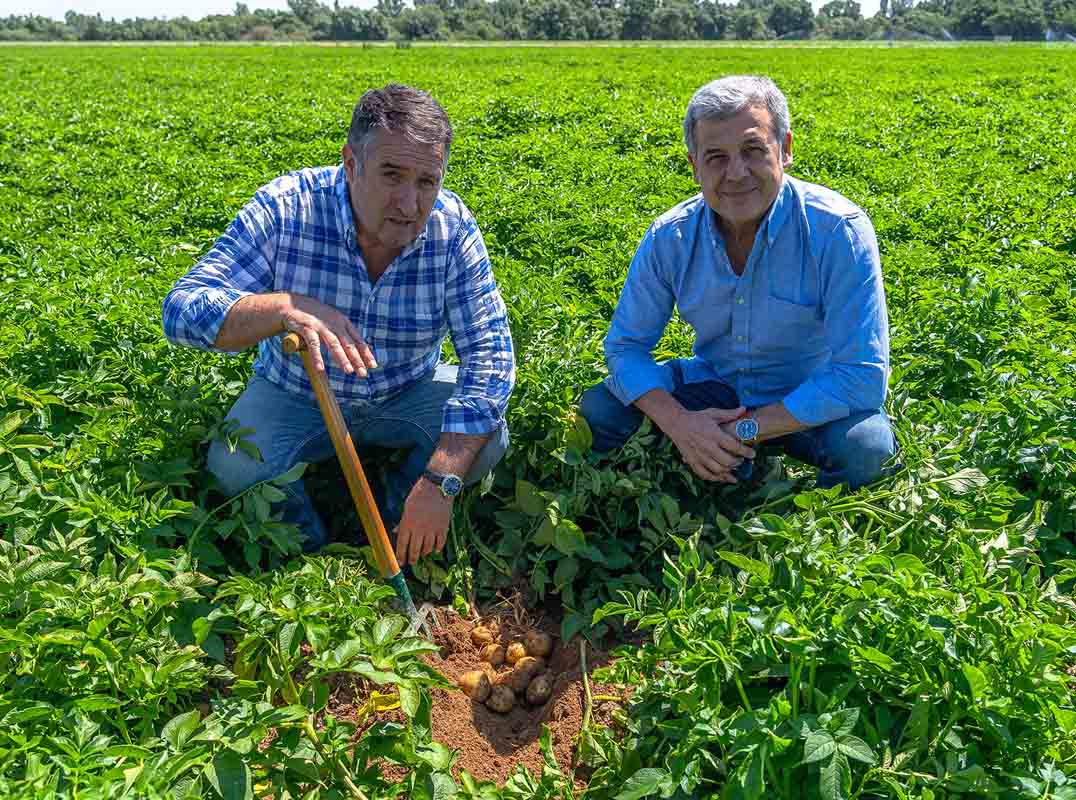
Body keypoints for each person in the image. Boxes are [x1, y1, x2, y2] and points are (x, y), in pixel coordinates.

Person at [163, 83, 515, 565]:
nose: (409, 205)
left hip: (404, 391)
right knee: (235, 463)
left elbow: (491, 356)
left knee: (486, 438)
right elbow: (182, 310)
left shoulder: (451, 229)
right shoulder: (288, 208)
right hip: (297, 394)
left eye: (426, 182)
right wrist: (284, 307)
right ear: (351, 162)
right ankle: (314, 560)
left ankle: (398, 525)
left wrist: (441, 482)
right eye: (392, 175)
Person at [580, 75, 895, 490]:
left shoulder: (837, 230)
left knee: (865, 447)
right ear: (694, 167)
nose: (736, 173)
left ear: (785, 149)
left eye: (753, 150)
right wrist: (682, 424)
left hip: (810, 399)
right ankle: (694, 467)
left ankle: (785, 514)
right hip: (716, 388)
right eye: (716, 157)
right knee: (598, 410)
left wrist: (745, 430)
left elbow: (862, 375)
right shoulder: (670, 236)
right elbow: (626, 347)